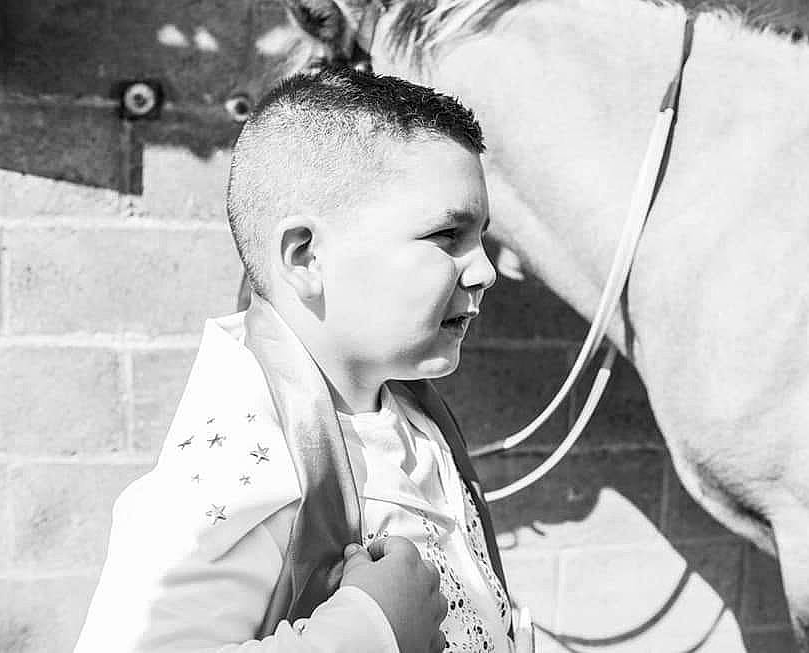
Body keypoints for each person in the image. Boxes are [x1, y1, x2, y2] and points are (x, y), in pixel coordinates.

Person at [75, 68, 527, 652]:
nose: (485, 272)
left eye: (482, 240)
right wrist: (370, 631)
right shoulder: (239, 473)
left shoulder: (415, 419)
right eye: (447, 237)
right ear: (306, 256)